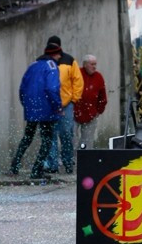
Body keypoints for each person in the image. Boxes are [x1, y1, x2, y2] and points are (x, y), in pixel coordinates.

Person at [10, 48, 63, 180]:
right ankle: (36, 170)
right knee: (47, 140)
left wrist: (26, 105)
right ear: (54, 55)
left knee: (27, 137)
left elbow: (22, 88)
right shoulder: (52, 66)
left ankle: (14, 166)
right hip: (46, 108)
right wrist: (57, 106)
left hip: (32, 107)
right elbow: (52, 88)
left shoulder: (32, 66)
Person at [44, 36, 83, 175]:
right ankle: (53, 164)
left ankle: (67, 162)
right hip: (49, 106)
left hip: (65, 104)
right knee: (51, 136)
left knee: (66, 135)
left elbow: (78, 81)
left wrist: (74, 99)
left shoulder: (69, 61)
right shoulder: (44, 61)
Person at [73, 55, 108, 149]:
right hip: (75, 112)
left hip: (91, 114)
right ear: (85, 64)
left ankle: (85, 160)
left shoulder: (98, 77)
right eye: (92, 64)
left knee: (87, 141)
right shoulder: (77, 74)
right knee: (72, 139)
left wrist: (98, 111)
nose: (94, 67)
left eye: (95, 64)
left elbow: (103, 97)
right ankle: (72, 160)